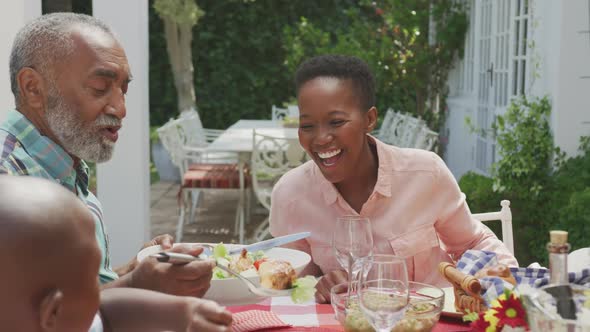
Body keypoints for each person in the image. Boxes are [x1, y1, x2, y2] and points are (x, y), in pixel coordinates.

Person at [269, 54, 518, 303]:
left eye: (336, 122)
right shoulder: (290, 196)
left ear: (369, 119)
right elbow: (294, 281)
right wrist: (316, 286)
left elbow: (473, 242)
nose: (321, 138)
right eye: (308, 126)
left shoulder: (425, 173)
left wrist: (513, 292)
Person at [0, 13, 213, 296]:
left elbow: (74, 294)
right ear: (33, 88)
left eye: (123, 90)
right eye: (100, 88)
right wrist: (136, 286)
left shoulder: (64, 166)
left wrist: (134, 270)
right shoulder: (8, 179)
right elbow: (28, 319)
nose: (120, 109)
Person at [0, 175, 233, 332]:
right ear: (53, 312)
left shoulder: (71, 320)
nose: (104, 286)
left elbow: (106, 309)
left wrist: (185, 312)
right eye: (94, 276)